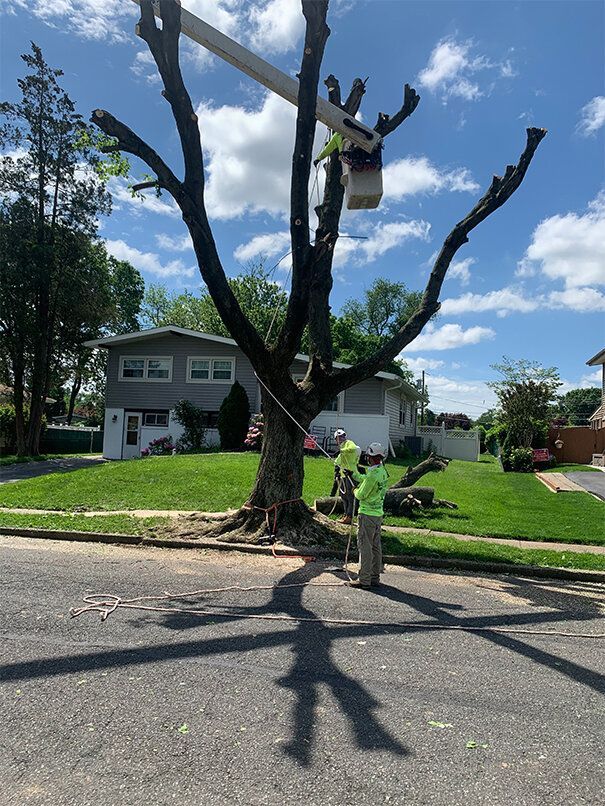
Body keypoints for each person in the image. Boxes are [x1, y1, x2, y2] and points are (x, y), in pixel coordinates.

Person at [348, 442, 389, 590]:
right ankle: (374, 577)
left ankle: (364, 580)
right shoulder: (382, 471)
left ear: (370, 457)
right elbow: (367, 479)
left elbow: (361, 494)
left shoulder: (372, 475)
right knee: (375, 547)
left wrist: (354, 490)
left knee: (365, 547)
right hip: (378, 514)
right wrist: (354, 474)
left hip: (367, 514)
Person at [333, 428, 361, 525]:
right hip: (343, 476)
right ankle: (346, 514)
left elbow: (353, 448)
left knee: (350, 496)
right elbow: (338, 461)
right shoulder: (341, 449)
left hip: (351, 474)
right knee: (343, 496)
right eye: (338, 437)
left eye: (342, 436)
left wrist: (342, 451)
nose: (340, 439)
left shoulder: (348, 443)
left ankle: (350, 516)